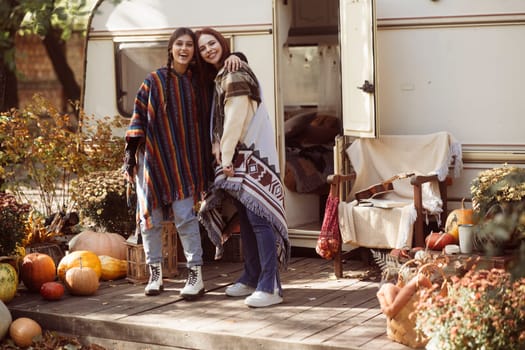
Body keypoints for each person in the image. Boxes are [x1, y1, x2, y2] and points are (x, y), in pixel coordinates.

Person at [123, 27, 240, 300]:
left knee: (185, 217)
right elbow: (138, 118)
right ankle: (155, 274)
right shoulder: (153, 80)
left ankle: (195, 275)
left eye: (190, 45)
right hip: (151, 161)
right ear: (171, 48)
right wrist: (131, 159)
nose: (185, 49)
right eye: (180, 44)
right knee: (148, 220)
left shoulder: (200, 83)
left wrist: (236, 56)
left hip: (184, 164)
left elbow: (217, 105)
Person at [196, 27, 290, 308]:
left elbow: (236, 117)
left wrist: (224, 156)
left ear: (223, 43)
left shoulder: (234, 73)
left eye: (212, 43)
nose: (208, 49)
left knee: (259, 220)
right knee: (247, 220)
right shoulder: (222, 74)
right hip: (243, 156)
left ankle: (270, 286)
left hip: (248, 157)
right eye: (203, 48)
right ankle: (251, 276)